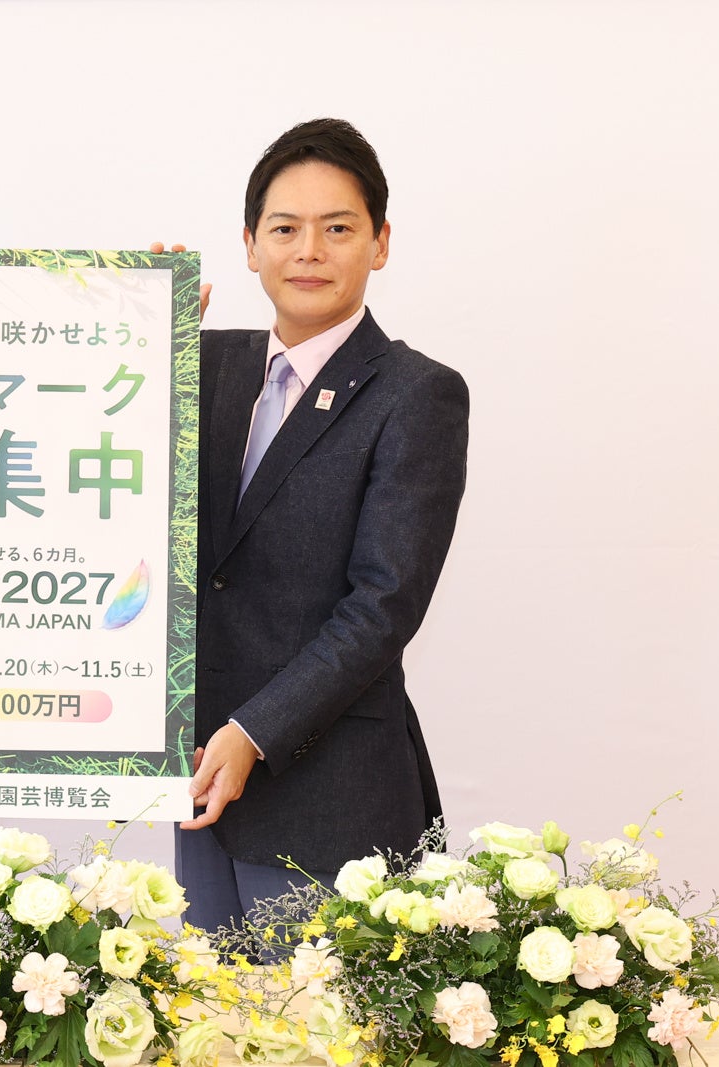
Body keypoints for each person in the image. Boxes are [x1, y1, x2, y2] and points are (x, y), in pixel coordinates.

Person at [176, 118, 469, 934]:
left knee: (317, 1012)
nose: (309, 250)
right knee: (206, 1009)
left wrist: (252, 732)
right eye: (285, 229)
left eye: (337, 228)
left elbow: (383, 605)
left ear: (380, 243)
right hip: (196, 784)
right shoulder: (197, 365)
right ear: (250, 245)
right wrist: (132, 344)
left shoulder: (417, 393)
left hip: (331, 801)